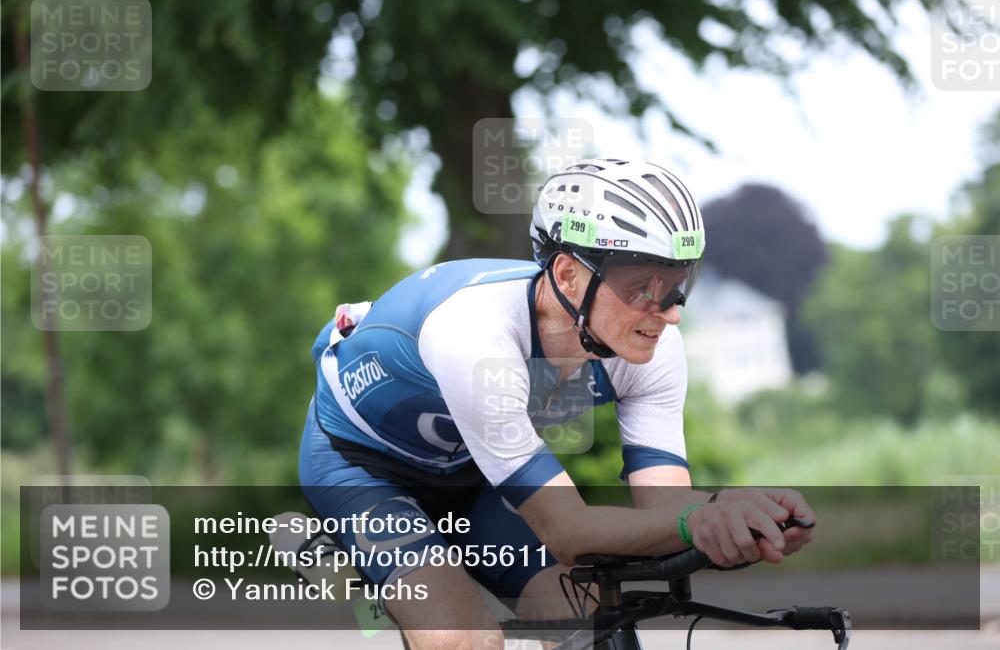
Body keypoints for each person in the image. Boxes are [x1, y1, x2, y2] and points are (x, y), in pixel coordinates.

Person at [299, 158, 815, 649]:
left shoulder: (651, 345)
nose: (669, 313)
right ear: (568, 275)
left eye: (678, 286)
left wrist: (733, 515)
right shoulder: (475, 336)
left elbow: (665, 509)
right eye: (641, 287)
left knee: (584, 622)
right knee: (463, 638)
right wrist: (700, 520)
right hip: (363, 469)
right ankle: (343, 571)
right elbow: (569, 531)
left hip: (472, 473)